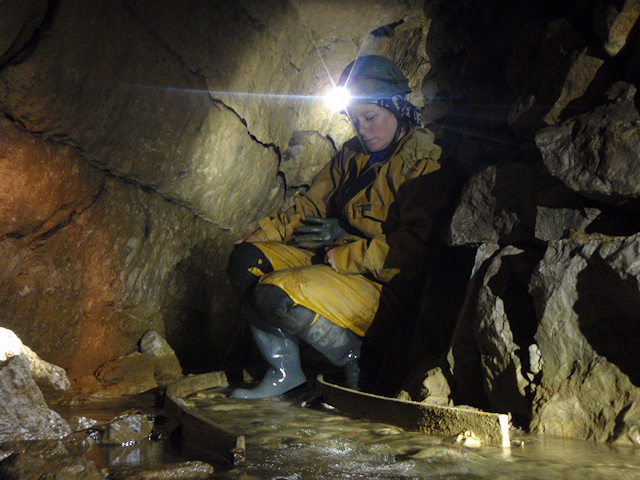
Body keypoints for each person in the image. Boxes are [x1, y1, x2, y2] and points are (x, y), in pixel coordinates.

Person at [227, 55, 449, 399]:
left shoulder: (422, 165)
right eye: (355, 119)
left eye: (371, 118)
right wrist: (267, 233)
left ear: (398, 109)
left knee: (273, 294)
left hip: (380, 286)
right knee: (245, 259)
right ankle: (286, 371)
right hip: (336, 265)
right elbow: (313, 203)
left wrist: (347, 250)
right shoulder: (354, 153)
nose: (363, 129)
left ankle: (357, 359)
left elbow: (414, 249)